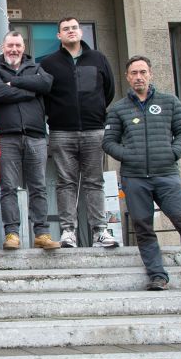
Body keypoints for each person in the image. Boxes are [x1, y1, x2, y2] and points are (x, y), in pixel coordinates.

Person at [103, 56, 181, 302]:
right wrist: (130, 156)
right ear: (127, 77)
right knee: (143, 228)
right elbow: (108, 142)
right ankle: (157, 276)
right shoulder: (118, 109)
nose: (139, 77)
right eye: (134, 73)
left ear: (150, 74)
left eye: (143, 72)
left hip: (167, 176)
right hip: (134, 178)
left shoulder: (170, 102)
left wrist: (172, 152)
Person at [41, 17, 118, 248]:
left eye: (74, 28)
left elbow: (109, 91)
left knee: (95, 181)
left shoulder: (99, 59)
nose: (71, 31)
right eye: (66, 29)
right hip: (61, 131)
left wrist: (94, 112)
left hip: (94, 131)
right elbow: (44, 96)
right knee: (66, 182)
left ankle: (100, 231)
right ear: (59, 36)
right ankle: (68, 232)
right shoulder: (49, 63)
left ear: (81, 32)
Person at [0, 31, 61, 250]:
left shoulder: (38, 68)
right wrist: (30, 91)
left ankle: (42, 234)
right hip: (6, 136)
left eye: (18, 45)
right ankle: (12, 234)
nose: (14, 50)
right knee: (8, 187)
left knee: (38, 186)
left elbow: (46, 84)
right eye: (10, 45)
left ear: (24, 47)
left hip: (36, 136)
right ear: (2, 47)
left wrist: (14, 82)